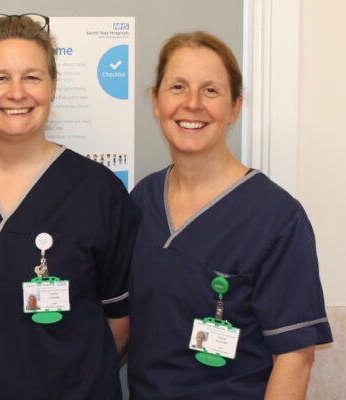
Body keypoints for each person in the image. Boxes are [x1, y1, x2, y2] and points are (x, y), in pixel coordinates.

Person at [0, 14, 137, 399]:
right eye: (0, 77)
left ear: (52, 86)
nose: (17, 93)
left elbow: (121, 323)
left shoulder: (98, 192)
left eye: (32, 77)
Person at [127, 31, 333, 399]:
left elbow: (295, 359)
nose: (192, 104)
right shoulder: (141, 201)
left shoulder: (277, 218)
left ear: (235, 107)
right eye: (177, 87)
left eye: (211, 90)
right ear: (157, 102)